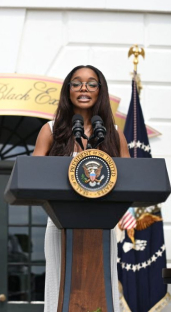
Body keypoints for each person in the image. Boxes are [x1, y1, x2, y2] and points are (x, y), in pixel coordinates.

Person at [33, 65, 130, 311]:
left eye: (91, 83)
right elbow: (32, 174)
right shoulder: (51, 130)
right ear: (68, 91)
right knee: (61, 285)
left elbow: (131, 178)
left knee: (100, 282)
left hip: (102, 222)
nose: (84, 88)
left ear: (100, 90)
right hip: (59, 223)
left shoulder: (114, 134)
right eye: (76, 83)